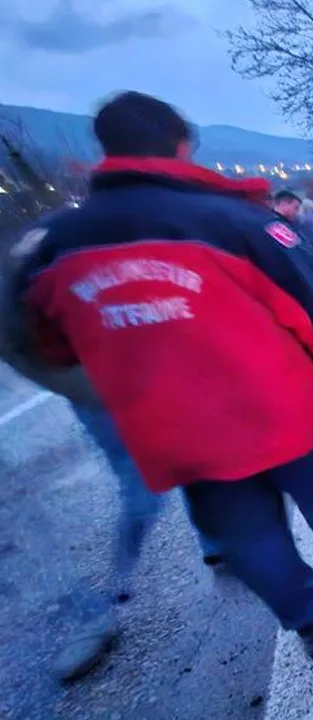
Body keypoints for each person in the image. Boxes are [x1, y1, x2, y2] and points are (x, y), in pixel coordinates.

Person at [6, 91, 313, 662]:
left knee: (248, 540)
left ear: (108, 150)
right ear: (179, 147)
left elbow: (44, 342)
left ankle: (312, 623)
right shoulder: (234, 222)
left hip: (181, 440)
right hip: (287, 415)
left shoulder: (55, 246)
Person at [0, 256, 222, 682]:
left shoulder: (82, 235)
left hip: (143, 376)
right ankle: (99, 610)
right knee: (141, 492)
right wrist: (108, 390)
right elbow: (19, 346)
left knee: (188, 451)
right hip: (100, 396)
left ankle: (215, 541)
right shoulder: (30, 265)